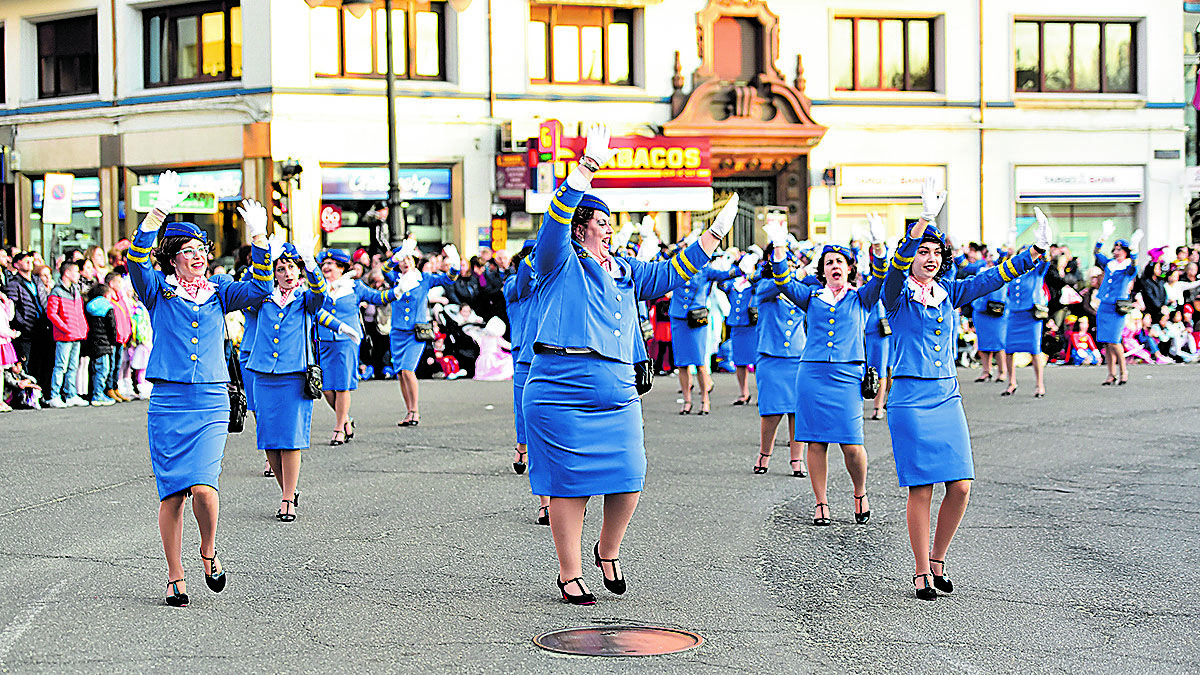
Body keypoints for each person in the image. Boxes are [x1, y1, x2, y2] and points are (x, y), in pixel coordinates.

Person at [523, 124, 732, 605]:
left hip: (615, 391)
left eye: (610, 219)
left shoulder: (624, 269)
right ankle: (570, 572)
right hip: (559, 385)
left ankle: (608, 550)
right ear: (580, 225)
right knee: (568, 487)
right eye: (600, 219)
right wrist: (586, 171)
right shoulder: (557, 261)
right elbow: (551, 228)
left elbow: (669, 273)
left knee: (629, 475)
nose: (609, 225)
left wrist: (714, 234)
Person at [882, 182, 1049, 600]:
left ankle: (938, 559)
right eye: (923, 251)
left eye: (936, 252)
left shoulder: (950, 291)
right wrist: (922, 221)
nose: (930, 258)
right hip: (909, 398)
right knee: (921, 487)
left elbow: (993, 278)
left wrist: (1035, 252)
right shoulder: (895, 294)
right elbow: (896, 267)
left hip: (946, 397)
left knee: (960, 486)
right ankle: (921, 571)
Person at [125, 171, 271, 607]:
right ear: (172, 259)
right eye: (188, 252)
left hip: (209, 398)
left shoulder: (219, 290)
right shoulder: (157, 290)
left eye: (202, 251)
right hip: (169, 401)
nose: (198, 258)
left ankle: (208, 550)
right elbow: (136, 259)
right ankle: (175, 575)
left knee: (204, 488)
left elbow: (261, 289)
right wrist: (157, 212)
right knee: (172, 493)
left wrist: (259, 235)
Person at [770, 216, 887, 527]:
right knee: (815, 441)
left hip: (847, 376)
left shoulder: (861, 297)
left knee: (852, 444)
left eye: (840, 261)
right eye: (829, 262)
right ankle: (821, 502)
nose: (835, 265)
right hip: (812, 375)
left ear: (849, 268)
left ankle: (859, 492)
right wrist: (779, 247)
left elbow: (881, 275)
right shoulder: (811, 297)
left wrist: (877, 245)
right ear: (821, 271)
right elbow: (782, 281)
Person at [245, 242, 331, 522]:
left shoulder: (306, 298)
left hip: (295, 376)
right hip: (264, 375)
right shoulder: (262, 297)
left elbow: (322, 293)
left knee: (291, 439)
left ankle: (286, 499)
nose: (286, 273)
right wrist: (261, 249)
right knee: (269, 439)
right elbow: (249, 285)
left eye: (291, 267)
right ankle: (288, 491)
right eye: (280, 269)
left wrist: (310, 262)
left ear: (299, 270)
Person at [315, 248, 396, 444]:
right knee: (326, 387)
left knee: (342, 386)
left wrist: (398, 291)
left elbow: (378, 298)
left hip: (347, 341)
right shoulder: (318, 287)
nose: (326, 267)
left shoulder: (355, 286)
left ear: (341, 268)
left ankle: (339, 428)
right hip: (324, 339)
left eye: (330, 265)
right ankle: (346, 419)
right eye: (324, 264)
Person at [381, 240, 458, 426]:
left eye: (409, 258)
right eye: (402, 260)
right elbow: (384, 270)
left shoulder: (424, 279)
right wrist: (397, 255)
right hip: (397, 332)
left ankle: (415, 410)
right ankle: (408, 411)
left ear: (415, 261)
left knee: (408, 370)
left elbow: (449, 279)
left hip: (416, 333)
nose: (406, 262)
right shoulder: (396, 279)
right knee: (400, 373)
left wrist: (455, 262)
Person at [749, 244, 807, 478]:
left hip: (797, 357)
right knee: (771, 411)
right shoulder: (765, 286)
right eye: (784, 265)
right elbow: (778, 284)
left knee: (797, 412)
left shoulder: (801, 289)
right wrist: (788, 275)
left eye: (792, 264)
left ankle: (797, 459)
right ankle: (765, 453)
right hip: (771, 358)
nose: (789, 269)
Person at [667, 231, 739, 415]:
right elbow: (663, 260)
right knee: (682, 363)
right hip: (678, 317)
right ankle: (687, 400)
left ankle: (705, 400)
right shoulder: (675, 265)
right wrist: (680, 245)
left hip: (696, 318)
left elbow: (724, 275)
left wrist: (741, 269)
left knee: (699, 362)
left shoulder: (704, 269)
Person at [1001, 224, 1051, 398]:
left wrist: (1043, 244)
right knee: (1009, 349)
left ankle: (1039, 384)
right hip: (1014, 313)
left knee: (1034, 349)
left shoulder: (1037, 271)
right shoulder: (1014, 272)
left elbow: (1046, 260)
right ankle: (1011, 382)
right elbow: (1003, 263)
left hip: (1030, 314)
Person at [1093, 222, 1142, 385]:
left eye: (1119, 249)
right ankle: (1111, 373)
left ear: (1125, 252)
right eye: (1114, 249)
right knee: (1106, 341)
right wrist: (1103, 236)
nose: (1115, 252)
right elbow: (1097, 253)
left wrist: (1135, 249)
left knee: (1114, 340)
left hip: (1117, 307)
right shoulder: (1109, 264)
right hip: (1105, 305)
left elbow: (1134, 267)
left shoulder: (1128, 266)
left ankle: (1123, 371)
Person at [4, 251, 53, 391]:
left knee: (42, 362)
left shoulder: (37, 280)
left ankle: (42, 391)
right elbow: (12, 308)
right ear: (16, 264)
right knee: (27, 363)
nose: (28, 262)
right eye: (24, 260)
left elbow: (44, 302)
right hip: (26, 330)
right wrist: (22, 324)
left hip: (42, 327)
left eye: (30, 260)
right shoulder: (14, 283)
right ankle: (27, 394)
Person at [45, 260, 89, 408]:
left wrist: (83, 328)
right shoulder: (57, 291)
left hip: (76, 334)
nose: (78, 274)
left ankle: (71, 394)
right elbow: (51, 314)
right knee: (61, 366)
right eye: (76, 271)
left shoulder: (75, 291)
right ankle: (54, 395)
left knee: (72, 366)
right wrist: (65, 327)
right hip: (64, 335)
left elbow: (80, 312)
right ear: (67, 273)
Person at [718, 252, 760, 405]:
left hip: (752, 326)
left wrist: (753, 272)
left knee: (758, 362)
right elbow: (721, 283)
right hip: (737, 326)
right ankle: (744, 393)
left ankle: (762, 393)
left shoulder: (756, 283)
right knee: (739, 361)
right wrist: (730, 269)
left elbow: (763, 276)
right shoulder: (734, 284)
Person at [968, 254, 1008, 383]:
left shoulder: (1002, 269)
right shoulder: (980, 268)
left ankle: (1002, 372)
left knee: (998, 342)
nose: (990, 258)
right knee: (983, 342)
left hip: (997, 311)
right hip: (980, 310)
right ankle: (986, 371)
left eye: (994, 256)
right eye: (989, 256)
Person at [83, 283, 117, 406]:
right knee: (103, 370)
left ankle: (94, 393)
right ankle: (98, 395)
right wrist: (113, 341)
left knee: (94, 369)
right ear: (106, 294)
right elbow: (112, 326)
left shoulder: (88, 306)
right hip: (104, 343)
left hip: (92, 342)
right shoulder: (107, 306)